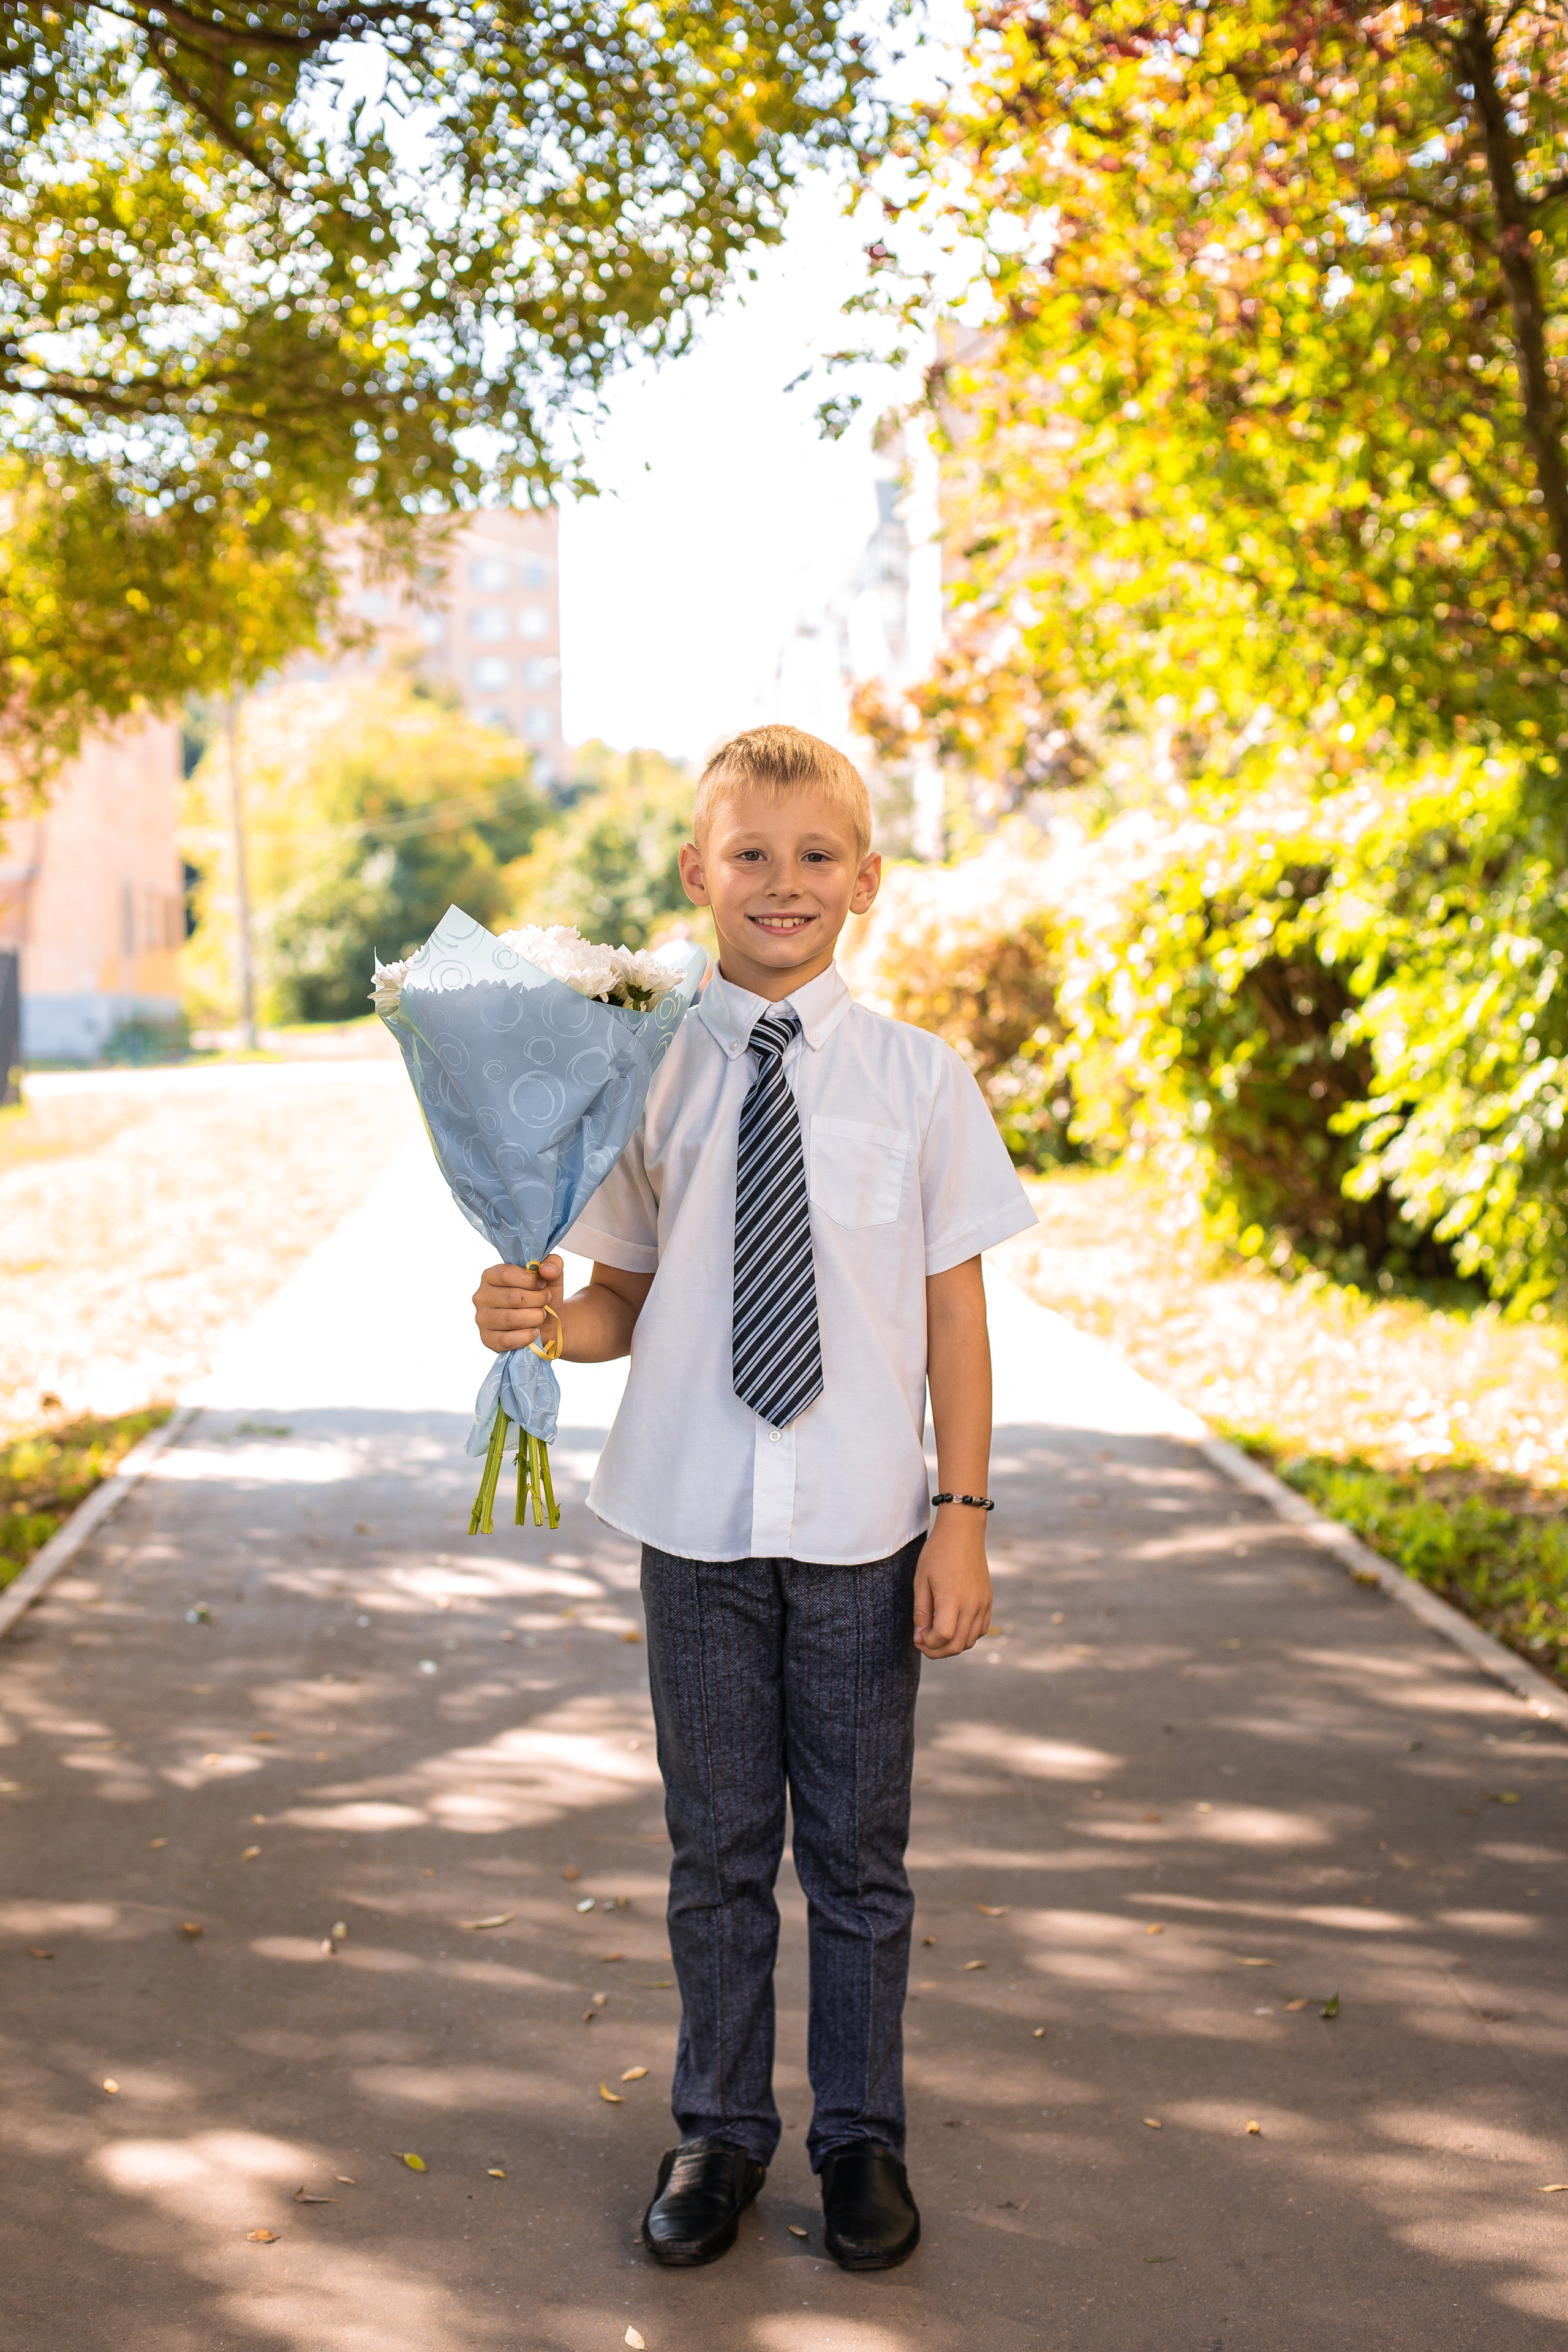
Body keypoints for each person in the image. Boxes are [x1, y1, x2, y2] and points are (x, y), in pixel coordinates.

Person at [472, 723, 1035, 2272]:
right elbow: (623, 1302)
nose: (779, 883)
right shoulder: (641, 1069)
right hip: (696, 1526)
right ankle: (717, 2131)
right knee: (715, 1851)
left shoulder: (919, 1081)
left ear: (864, 878)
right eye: (748, 855)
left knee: (858, 1859)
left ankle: (861, 2144)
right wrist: (538, 1317)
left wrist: (964, 1515)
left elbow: (955, 1322)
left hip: (863, 1530)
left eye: (811, 857)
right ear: (694, 874)